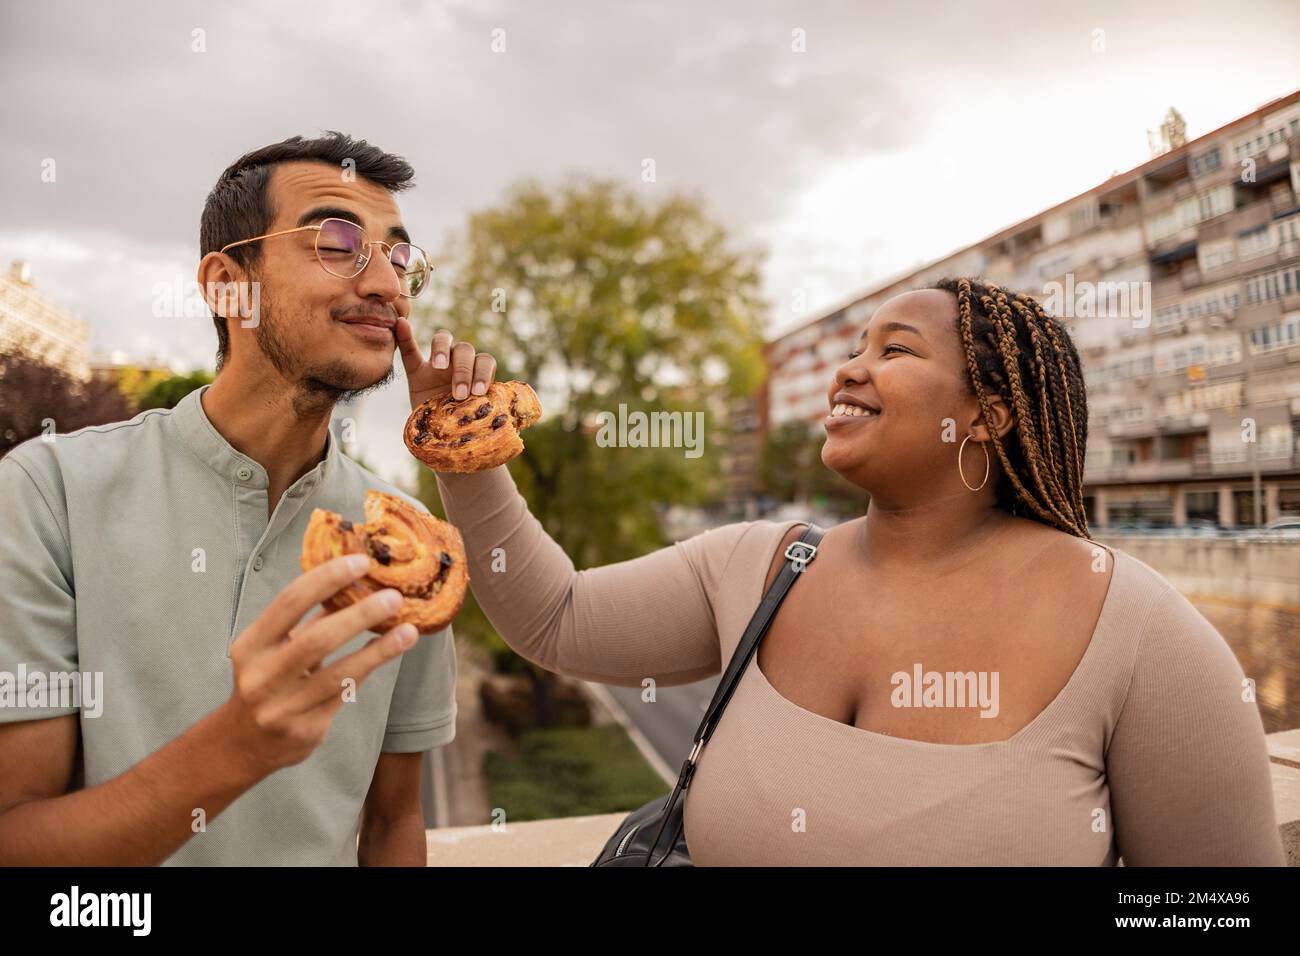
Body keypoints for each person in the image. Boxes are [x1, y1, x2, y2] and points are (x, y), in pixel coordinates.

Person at [425, 277, 1285, 865]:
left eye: (895, 351)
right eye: (854, 347)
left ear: (986, 415)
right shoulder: (756, 566)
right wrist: (464, 448)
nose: (848, 370)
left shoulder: (1141, 632)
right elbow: (554, 617)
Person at [0, 132, 496, 865]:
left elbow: (393, 825)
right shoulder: (47, 493)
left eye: (398, 259)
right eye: (336, 242)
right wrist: (236, 748)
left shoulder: (411, 544)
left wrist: (462, 449)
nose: (388, 286)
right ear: (227, 283)